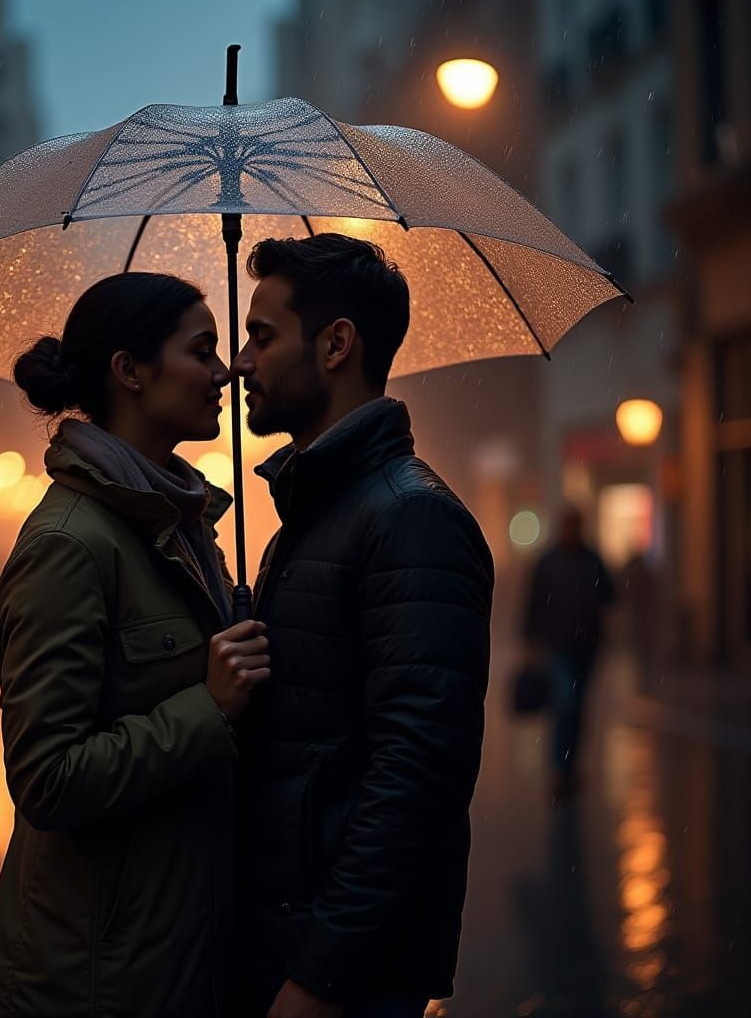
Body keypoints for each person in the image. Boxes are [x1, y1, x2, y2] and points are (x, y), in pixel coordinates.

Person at [0, 272, 270, 1018]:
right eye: (202, 351)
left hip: (174, 960)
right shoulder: (69, 544)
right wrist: (209, 708)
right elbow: (48, 779)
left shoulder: (182, 524)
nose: (225, 369)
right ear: (130, 371)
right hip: (89, 982)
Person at [230, 235, 494, 1018]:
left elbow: (417, 776)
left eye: (263, 336)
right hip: (284, 944)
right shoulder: (311, 518)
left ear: (337, 343)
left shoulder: (411, 518)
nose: (243, 362)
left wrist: (319, 978)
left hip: (341, 978)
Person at [523, 505, 614, 799]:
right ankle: (561, 769)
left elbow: (608, 597)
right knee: (566, 703)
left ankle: (569, 765)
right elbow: (534, 603)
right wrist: (531, 640)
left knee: (577, 708)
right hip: (559, 646)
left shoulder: (591, 560)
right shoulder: (550, 562)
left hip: (585, 647)